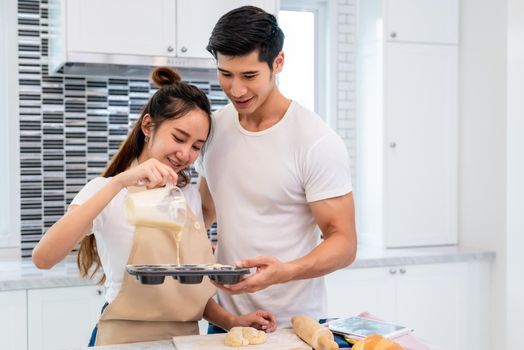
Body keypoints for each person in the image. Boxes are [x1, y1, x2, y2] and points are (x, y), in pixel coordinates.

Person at [31, 66, 276, 346]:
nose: (186, 154)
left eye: (197, 146)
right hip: (123, 341)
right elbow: (43, 258)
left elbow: (185, 293)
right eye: (179, 138)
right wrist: (119, 183)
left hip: (184, 341)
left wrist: (232, 322)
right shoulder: (107, 191)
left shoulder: (189, 197)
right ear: (148, 126)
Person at [198, 6, 358, 330]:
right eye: (225, 74)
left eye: (249, 76)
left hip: (294, 324)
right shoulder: (215, 127)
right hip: (229, 320)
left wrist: (283, 271)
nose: (237, 90)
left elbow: (343, 242)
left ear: (278, 63)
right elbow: (206, 208)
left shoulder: (315, 141)